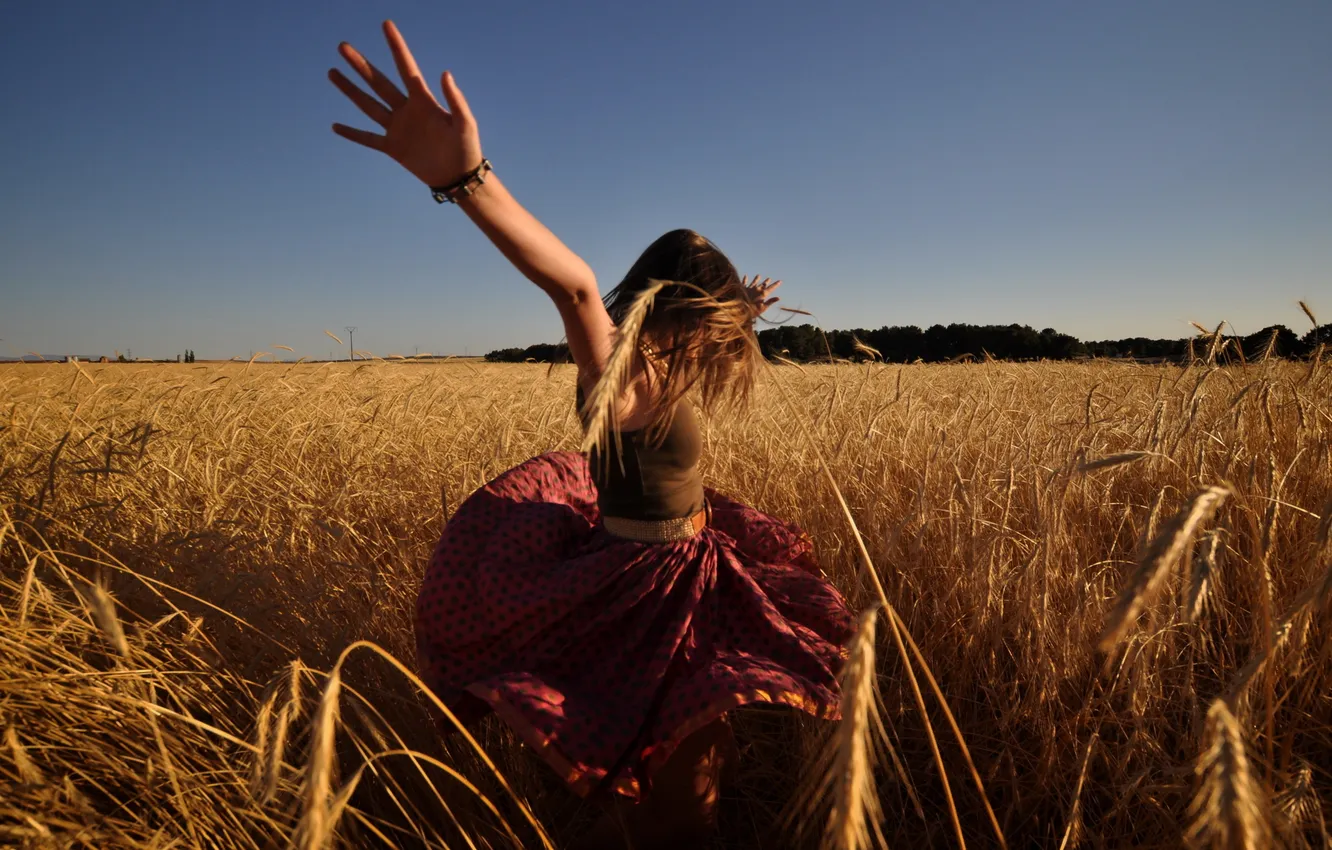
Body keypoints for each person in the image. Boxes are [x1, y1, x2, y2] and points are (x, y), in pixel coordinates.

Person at [328, 21, 854, 848]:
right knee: (680, 813)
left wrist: (748, 303)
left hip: (686, 572)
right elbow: (574, 289)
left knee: (676, 797)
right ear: (679, 307)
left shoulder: (669, 361)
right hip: (645, 592)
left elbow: (690, 320)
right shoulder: (625, 370)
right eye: (714, 312)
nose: (728, 336)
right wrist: (467, 179)